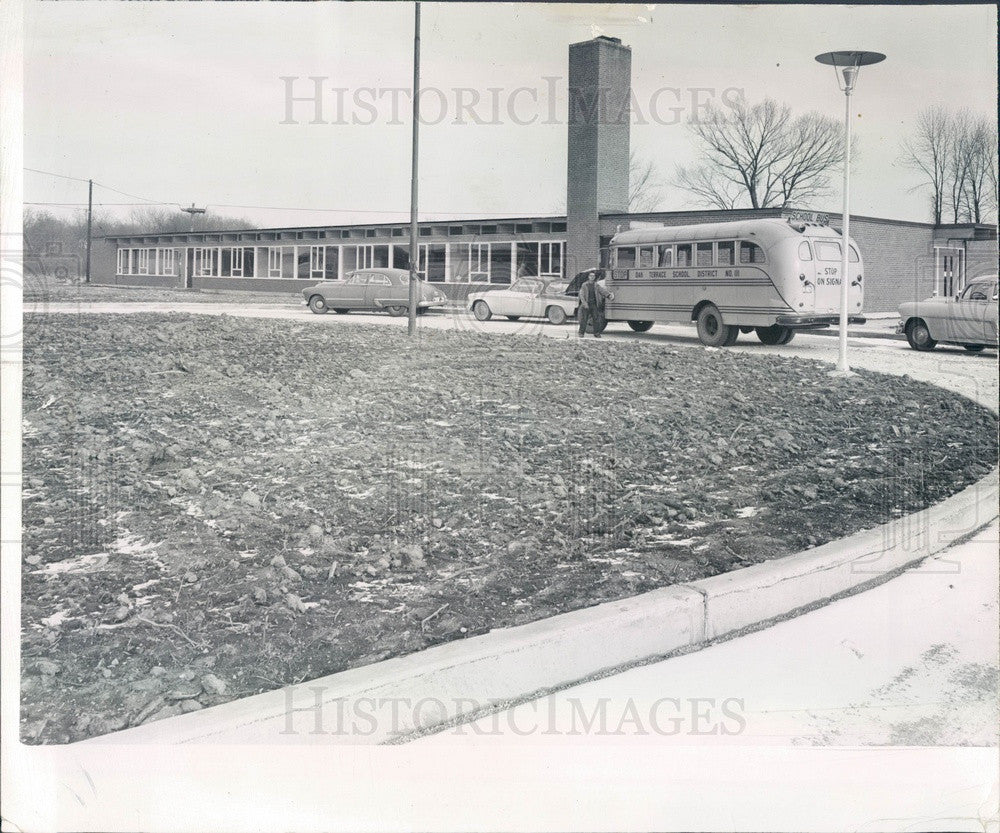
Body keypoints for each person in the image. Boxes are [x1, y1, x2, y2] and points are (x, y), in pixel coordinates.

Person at [577, 270, 613, 338]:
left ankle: (596, 333)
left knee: (596, 319)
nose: (592, 277)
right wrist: (584, 303)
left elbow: (602, 291)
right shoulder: (584, 285)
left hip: (594, 304)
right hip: (586, 304)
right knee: (584, 319)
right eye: (591, 276)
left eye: (593, 276)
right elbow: (581, 295)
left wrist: (608, 295)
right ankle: (581, 333)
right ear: (588, 277)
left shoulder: (596, 285)